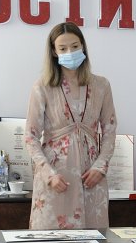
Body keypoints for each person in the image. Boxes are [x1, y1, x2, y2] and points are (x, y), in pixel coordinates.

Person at [25, 21, 117, 229]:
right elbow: (31, 137)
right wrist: (48, 175)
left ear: (83, 46)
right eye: (63, 48)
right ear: (54, 52)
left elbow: (110, 131)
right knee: (52, 241)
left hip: (91, 175)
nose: (70, 52)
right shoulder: (42, 87)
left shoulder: (101, 85)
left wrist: (100, 167)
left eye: (75, 46)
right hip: (56, 177)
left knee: (94, 240)